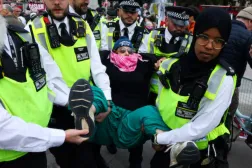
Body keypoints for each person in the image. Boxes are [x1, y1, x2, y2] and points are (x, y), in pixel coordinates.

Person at [28, 0, 112, 167]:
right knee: (72, 161)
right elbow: (50, 76)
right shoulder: (32, 29)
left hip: (86, 105)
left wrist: (106, 100)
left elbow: (97, 67)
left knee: (92, 156)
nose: (57, 2)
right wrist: (78, 105)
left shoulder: (82, 25)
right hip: (59, 110)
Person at [151, 8, 236, 168]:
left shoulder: (224, 78)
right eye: (204, 37)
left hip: (203, 155)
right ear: (195, 34)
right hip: (167, 147)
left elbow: (202, 127)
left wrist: (161, 138)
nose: (210, 46)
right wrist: (157, 134)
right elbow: (159, 104)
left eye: (218, 41)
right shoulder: (170, 65)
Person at [0, 14, 88, 168]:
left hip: (37, 147)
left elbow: (49, 80)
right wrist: (61, 136)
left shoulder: (22, 35)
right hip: (8, 158)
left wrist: (74, 102)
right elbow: (4, 129)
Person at [139, 6, 193, 103]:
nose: (180, 28)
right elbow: (141, 58)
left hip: (175, 94)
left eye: (183, 25)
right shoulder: (152, 35)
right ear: (167, 20)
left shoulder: (190, 40)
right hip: (151, 92)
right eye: (176, 24)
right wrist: (154, 62)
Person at [220, 7, 252, 132]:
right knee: (229, 112)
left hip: (209, 79)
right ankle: (223, 139)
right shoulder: (248, 36)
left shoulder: (222, 29)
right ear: (250, 22)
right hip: (230, 84)